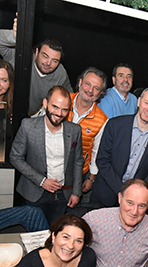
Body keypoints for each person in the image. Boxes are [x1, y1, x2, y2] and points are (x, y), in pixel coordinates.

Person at [10, 86, 83, 224]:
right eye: (55, 107)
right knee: (33, 233)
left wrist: (76, 192)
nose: (59, 113)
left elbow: (78, 162)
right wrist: (42, 181)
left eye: (64, 109)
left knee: (55, 232)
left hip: (63, 195)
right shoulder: (28, 126)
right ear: (45, 103)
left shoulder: (75, 130)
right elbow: (15, 157)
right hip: (35, 192)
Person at [91, 87, 148, 208]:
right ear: (138, 102)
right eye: (146, 103)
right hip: (105, 194)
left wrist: (137, 190)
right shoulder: (115, 125)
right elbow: (102, 160)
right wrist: (122, 190)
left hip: (135, 202)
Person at [0, 19, 71, 114]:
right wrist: (15, 37)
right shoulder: (20, 54)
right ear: (36, 52)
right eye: (45, 56)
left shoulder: (60, 73)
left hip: (26, 118)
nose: (48, 63)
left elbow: (69, 95)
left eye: (55, 61)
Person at [65, 67, 108, 199]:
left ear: (100, 93)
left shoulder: (102, 120)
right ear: (80, 82)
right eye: (87, 84)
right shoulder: (62, 100)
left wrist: (91, 177)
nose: (90, 90)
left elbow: (96, 151)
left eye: (96, 88)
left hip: (77, 174)